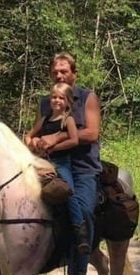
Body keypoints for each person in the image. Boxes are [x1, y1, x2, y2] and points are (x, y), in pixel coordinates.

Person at [30, 53, 102, 275]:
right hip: (49, 165)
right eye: (55, 72)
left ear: (74, 74)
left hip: (82, 167)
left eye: (64, 71)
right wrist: (36, 142)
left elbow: (91, 133)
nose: (59, 75)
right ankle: (8, 255)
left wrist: (56, 138)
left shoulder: (87, 98)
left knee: (83, 207)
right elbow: (38, 129)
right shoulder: (46, 102)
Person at [24, 82, 91, 255]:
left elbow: (74, 140)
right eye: (54, 97)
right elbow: (29, 135)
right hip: (41, 162)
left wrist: (53, 148)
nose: (57, 100)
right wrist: (33, 143)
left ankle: (79, 230)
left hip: (60, 162)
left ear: (67, 101)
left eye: (61, 98)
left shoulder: (67, 120)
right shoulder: (45, 118)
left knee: (68, 192)